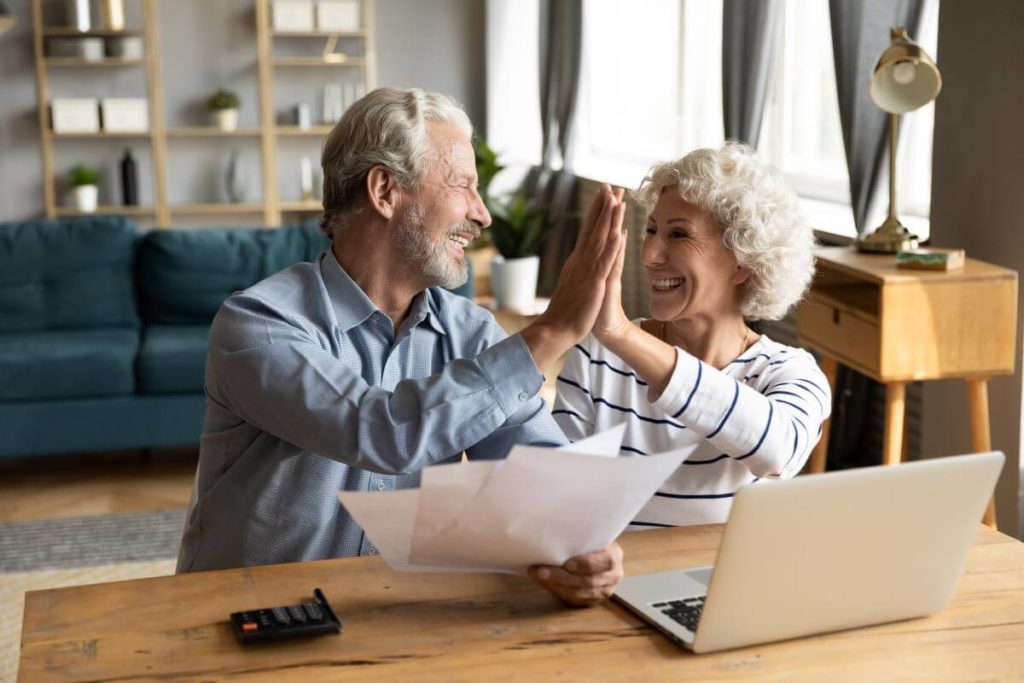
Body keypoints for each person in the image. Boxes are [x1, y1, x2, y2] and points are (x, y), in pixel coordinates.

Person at [176, 87, 627, 606]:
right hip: (246, 618)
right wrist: (551, 332)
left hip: (389, 613)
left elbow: (535, 467)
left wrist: (580, 540)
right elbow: (381, 432)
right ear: (385, 190)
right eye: (463, 186)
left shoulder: (469, 332)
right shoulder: (259, 324)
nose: (482, 215)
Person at [553, 143, 831, 527]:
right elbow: (558, 495)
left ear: (742, 262)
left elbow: (779, 451)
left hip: (729, 583)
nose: (650, 253)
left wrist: (621, 334)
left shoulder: (789, 372)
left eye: (679, 235)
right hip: (616, 579)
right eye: (651, 230)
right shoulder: (598, 355)